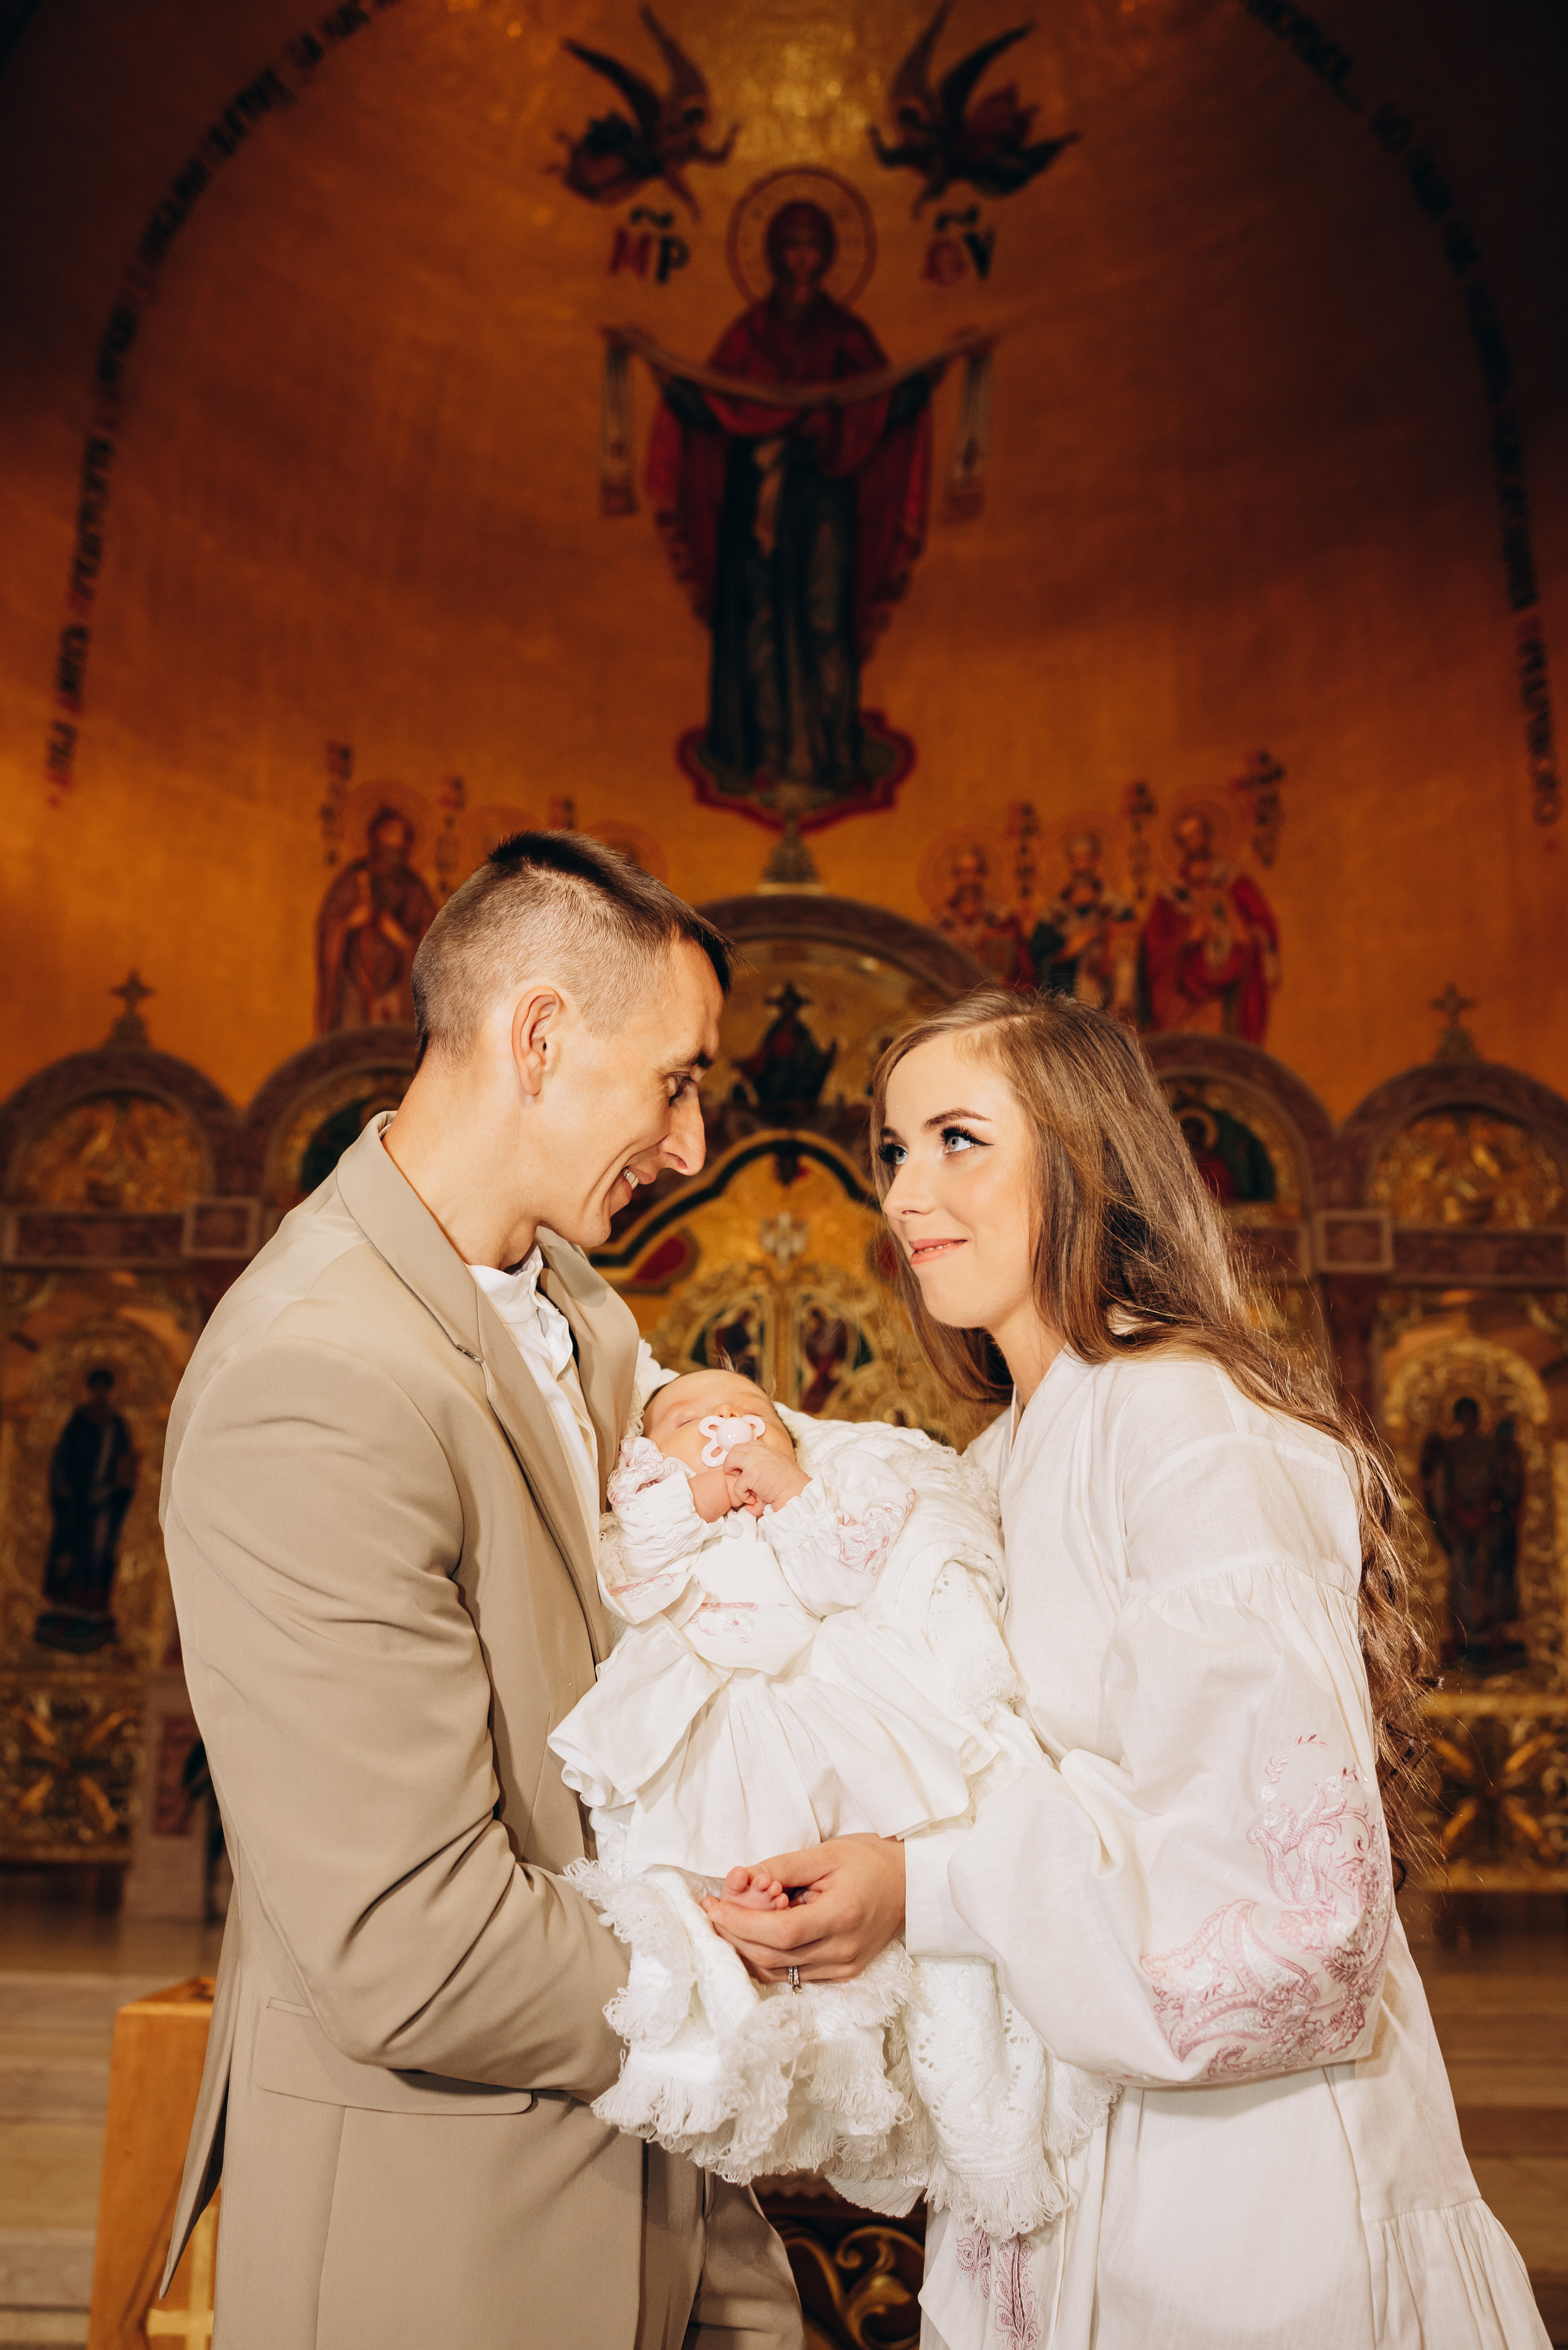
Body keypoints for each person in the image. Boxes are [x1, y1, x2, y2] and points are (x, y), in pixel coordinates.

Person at [704, 987, 1546, 2349]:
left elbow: (1294, 1913)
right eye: (892, 1148)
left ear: (1084, 1157)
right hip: (1060, 2149)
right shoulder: (1001, 1454)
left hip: (1239, 2180)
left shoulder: (1185, 1423)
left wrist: (921, 1883)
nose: (910, 1188)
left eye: (959, 1137)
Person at [159, 834, 801, 2349]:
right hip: (450, 2221)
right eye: (676, 1082)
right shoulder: (314, 1379)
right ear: (536, 1037)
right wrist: (766, 1970)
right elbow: (411, 1940)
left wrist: (703, 1414)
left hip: (653, 2167)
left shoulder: (568, 1296)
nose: (693, 1143)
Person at [548, 1368, 1094, 2242]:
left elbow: (842, 1576)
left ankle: (789, 1908)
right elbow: (628, 1565)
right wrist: (698, 1495)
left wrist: (790, 1493)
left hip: (802, 1686)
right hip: (703, 1687)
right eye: (687, 1417)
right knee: (678, 1823)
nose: (723, 1423)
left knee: (836, 1800)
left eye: (750, 1413)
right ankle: (722, 1947)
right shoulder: (652, 1496)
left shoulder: (820, 1489)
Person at [646, 200, 933, 807]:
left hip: (824, 497)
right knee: (758, 626)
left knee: (824, 620)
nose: (801, 257)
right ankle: (765, 751)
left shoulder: (845, 338)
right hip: (757, 504)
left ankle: (828, 752)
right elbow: (714, 407)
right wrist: (663, 377)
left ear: (827, 256)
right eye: (790, 245)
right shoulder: (748, 337)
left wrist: (926, 379)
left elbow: (878, 408)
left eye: (811, 245)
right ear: (773, 254)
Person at [1140, 807, 1279, 1041]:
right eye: (1185, 839)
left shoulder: (1234, 882)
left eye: (1196, 834)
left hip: (1232, 983)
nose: (1192, 842)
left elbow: (1262, 923)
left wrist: (1242, 932)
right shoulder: (1171, 896)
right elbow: (1154, 945)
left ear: (1207, 835)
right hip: (1186, 991)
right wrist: (1186, 939)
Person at [35, 1365, 137, 1653]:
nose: (100, 1393)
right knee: (68, 1550)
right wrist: (62, 1485)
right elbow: (62, 1456)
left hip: (104, 1501)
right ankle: (64, 1610)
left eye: (105, 1388)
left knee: (97, 1552)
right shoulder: (79, 1421)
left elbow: (125, 1461)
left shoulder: (116, 1424)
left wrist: (118, 1488)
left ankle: (94, 1613)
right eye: (96, 1387)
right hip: (75, 1501)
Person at [314, 805, 437, 1030]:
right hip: (354, 986)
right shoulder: (354, 879)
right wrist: (350, 922)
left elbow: (435, 945)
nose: (395, 840)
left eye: (401, 834)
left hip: (397, 995)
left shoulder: (416, 890)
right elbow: (328, 926)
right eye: (389, 831)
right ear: (375, 834)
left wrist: (403, 941)